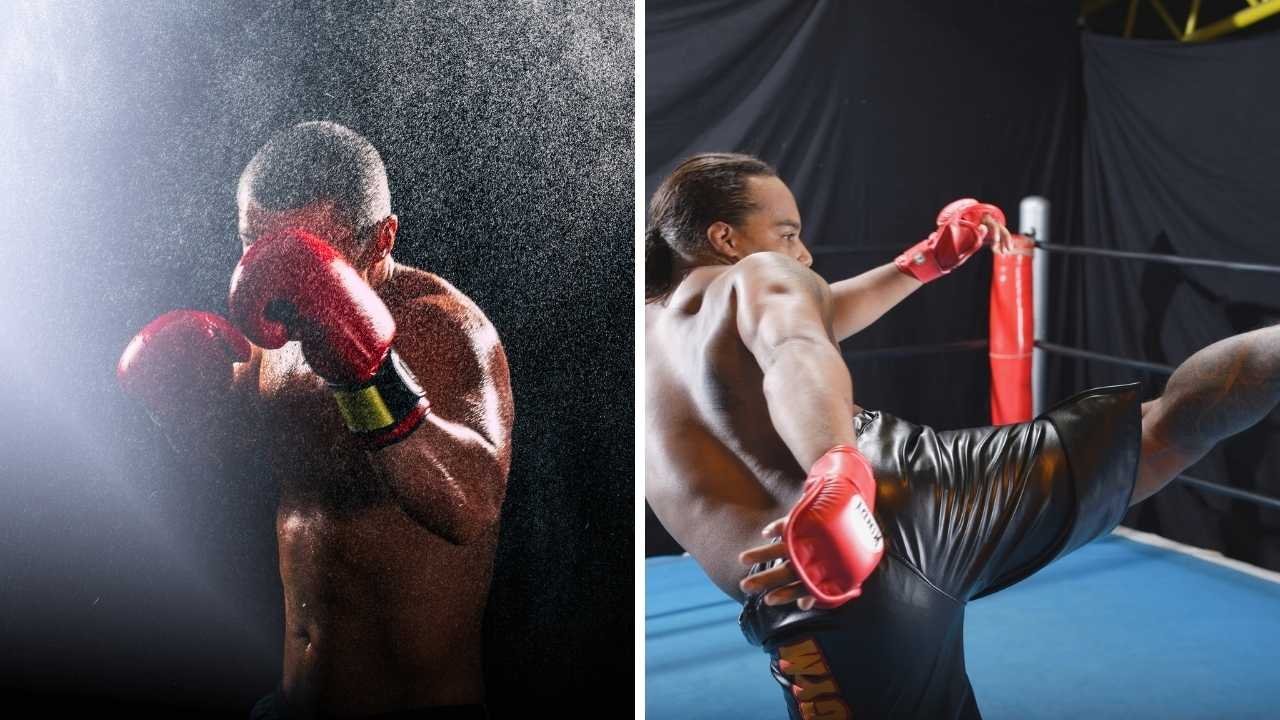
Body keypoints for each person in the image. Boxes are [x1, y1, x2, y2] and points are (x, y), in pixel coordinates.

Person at [644, 152, 1280, 719]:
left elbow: (800, 338)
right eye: (787, 234)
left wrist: (924, 264)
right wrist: (837, 467)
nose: (803, 254)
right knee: (1161, 431)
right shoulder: (756, 280)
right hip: (910, 484)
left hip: (812, 580)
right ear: (724, 237)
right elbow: (794, 345)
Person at [117, 121, 514, 719]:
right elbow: (221, 451)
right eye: (255, 244)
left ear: (381, 238)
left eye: (307, 254)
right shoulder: (272, 323)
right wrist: (176, 401)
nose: (275, 275)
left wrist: (370, 376)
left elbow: (471, 507)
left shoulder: (441, 327)